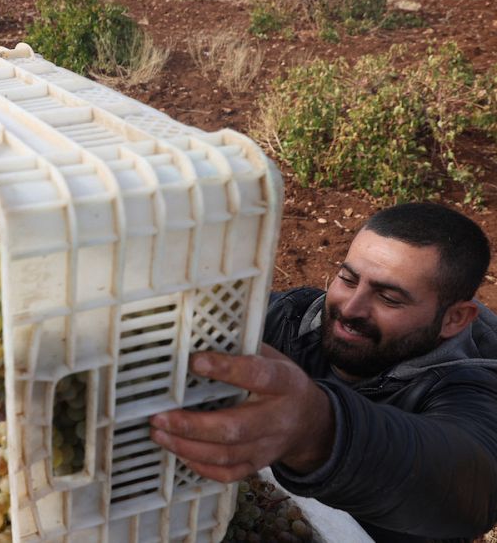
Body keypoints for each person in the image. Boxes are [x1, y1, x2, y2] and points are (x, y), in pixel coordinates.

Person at [150, 202, 497, 542]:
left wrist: (318, 429)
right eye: (348, 279)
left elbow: (472, 489)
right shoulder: (291, 318)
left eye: (389, 298)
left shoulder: (473, 385)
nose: (351, 308)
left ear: (454, 318)